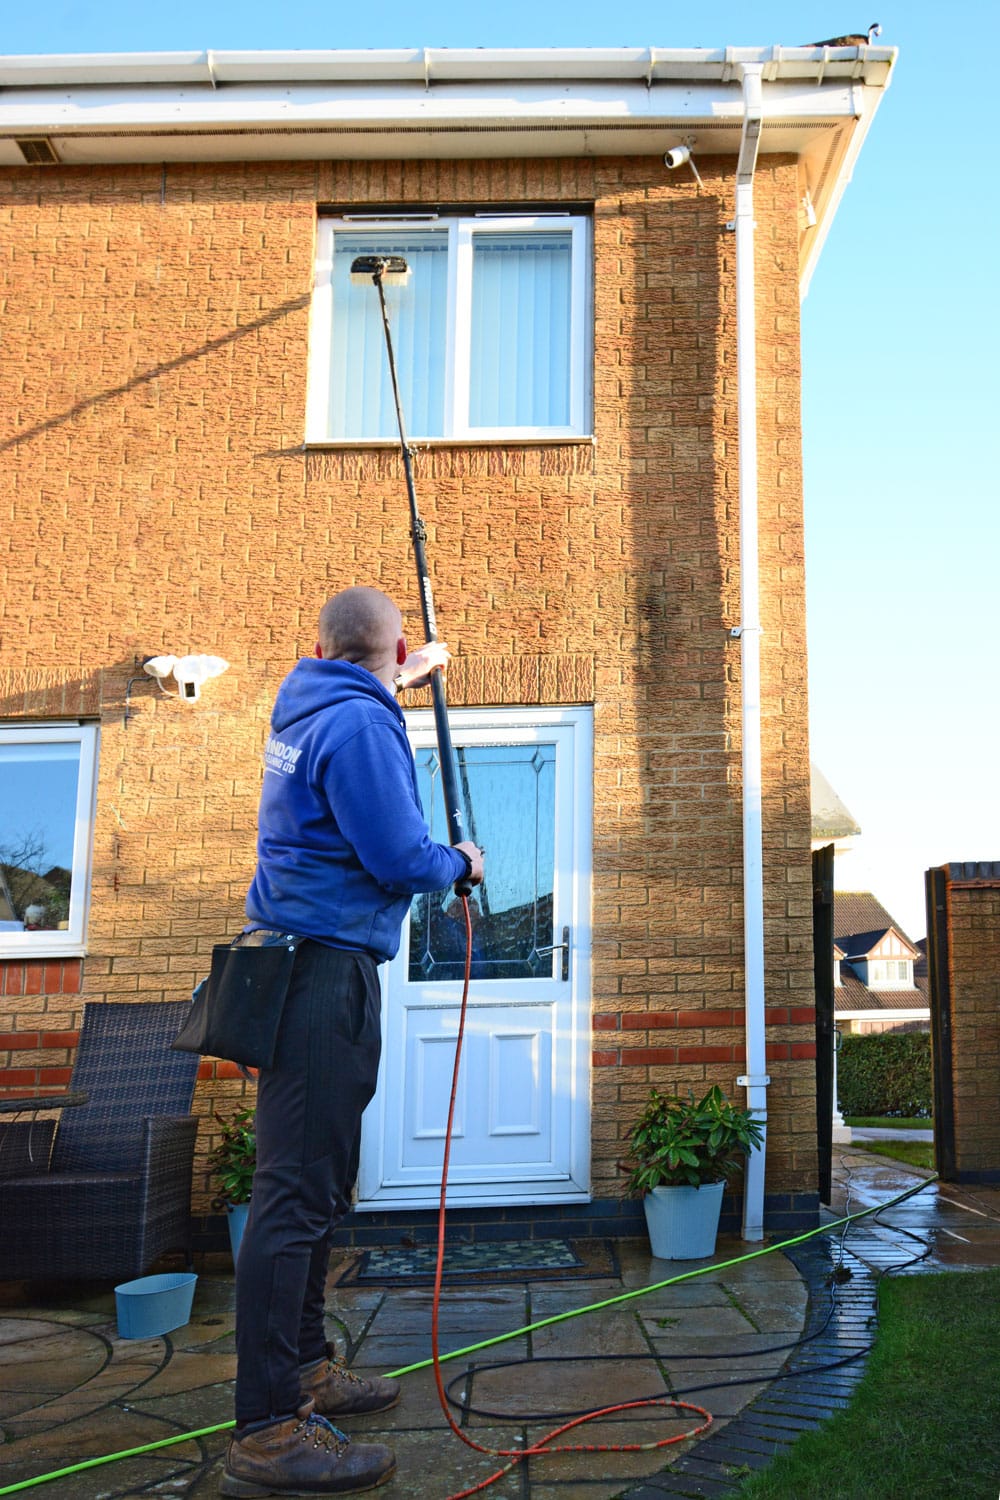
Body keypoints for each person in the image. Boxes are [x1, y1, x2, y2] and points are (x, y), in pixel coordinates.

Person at [221, 586, 484, 1498]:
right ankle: (265, 1427)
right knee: (296, 1196)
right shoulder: (364, 730)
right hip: (321, 974)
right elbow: (402, 859)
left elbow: (364, 699)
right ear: (397, 642)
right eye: (401, 662)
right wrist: (463, 861)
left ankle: (304, 1369)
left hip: (297, 969)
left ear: (321, 644)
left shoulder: (311, 707)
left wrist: (402, 675)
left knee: (318, 1183)